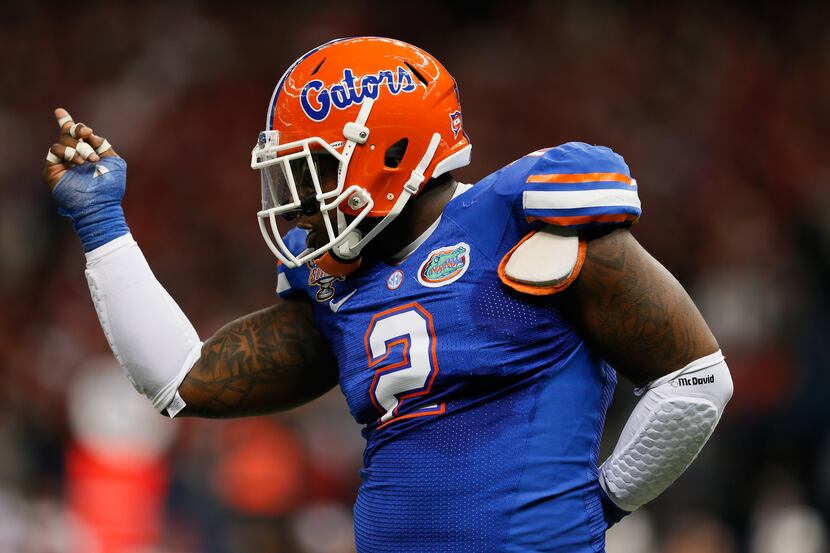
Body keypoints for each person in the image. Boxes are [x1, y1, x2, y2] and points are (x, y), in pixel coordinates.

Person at [43, 37, 733, 552]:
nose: (303, 204)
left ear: (394, 152)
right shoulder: (341, 285)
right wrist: (103, 223)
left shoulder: (527, 217)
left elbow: (696, 380)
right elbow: (179, 378)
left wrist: (604, 501)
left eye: (315, 170)